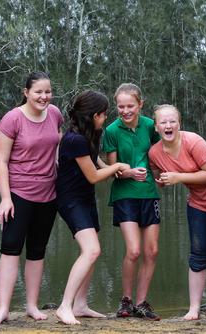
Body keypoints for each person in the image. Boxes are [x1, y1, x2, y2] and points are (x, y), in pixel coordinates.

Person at [0, 72, 63, 324]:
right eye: (38, 92)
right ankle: (3, 309)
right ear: (26, 92)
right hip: (19, 193)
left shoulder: (54, 113)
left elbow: (56, 144)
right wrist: (5, 198)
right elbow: (0, 160)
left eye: (47, 92)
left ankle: (31, 305)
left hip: (48, 194)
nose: (44, 97)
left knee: (37, 251)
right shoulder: (12, 119)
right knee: (10, 249)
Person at [147, 104, 206, 321]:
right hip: (197, 201)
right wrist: (162, 181)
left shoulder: (193, 141)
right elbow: (159, 178)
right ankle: (194, 308)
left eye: (172, 121)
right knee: (198, 253)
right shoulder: (155, 152)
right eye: (163, 122)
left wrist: (178, 177)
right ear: (156, 127)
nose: (168, 125)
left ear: (179, 123)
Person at [55, 90, 130, 325]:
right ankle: (64, 306)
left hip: (86, 199)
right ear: (93, 115)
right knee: (92, 250)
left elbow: (95, 162)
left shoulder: (91, 134)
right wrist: (115, 164)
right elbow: (94, 176)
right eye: (103, 114)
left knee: (91, 252)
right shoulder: (74, 139)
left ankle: (80, 304)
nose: (105, 118)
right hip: (70, 200)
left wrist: (119, 171)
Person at [102, 83, 161, 320]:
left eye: (130, 106)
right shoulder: (112, 130)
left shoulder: (150, 126)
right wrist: (127, 173)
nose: (125, 111)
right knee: (134, 251)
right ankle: (125, 301)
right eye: (120, 106)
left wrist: (162, 175)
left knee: (152, 251)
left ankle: (141, 303)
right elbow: (112, 169)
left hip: (149, 193)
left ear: (140, 104)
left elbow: (158, 156)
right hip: (124, 195)